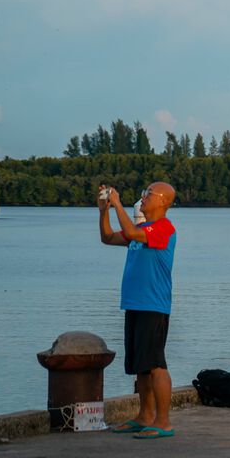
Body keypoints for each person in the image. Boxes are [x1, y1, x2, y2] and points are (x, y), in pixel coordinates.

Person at [98, 182, 179, 440]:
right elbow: (108, 237)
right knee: (141, 367)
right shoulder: (142, 229)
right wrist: (104, 211)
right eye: (143, 192)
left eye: (148, 194)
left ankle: (163, 421)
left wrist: (118, 204)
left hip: (153, 305)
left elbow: (130, 233)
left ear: (163, 202)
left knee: (156, 364)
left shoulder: (164, 229)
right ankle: (144, 416)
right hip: (134, 304)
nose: (143, 197)